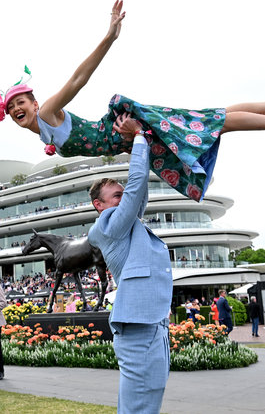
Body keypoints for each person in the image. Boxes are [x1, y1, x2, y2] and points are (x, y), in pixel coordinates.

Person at [0, 0, 265, 204]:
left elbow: (79, 79)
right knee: (206, 118)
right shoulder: (42, 133)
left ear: (34, 102)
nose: (17, 110)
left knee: (209, 124)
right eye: (11, 109)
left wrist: (108, 37)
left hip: (128, 126)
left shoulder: (48, 111)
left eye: (21, 102)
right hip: (128, 135)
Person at [87, 123, 172, 414]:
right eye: (116, 196)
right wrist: (139, 138)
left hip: (151, 323)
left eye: (123, 194)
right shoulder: (107, 225)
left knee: (147, 401)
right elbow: (136, 188)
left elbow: (140, 189)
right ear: (99, 205)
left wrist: (145, 148)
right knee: (140, 407)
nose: (124, 198)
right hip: (139, 327)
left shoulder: (126, 224)